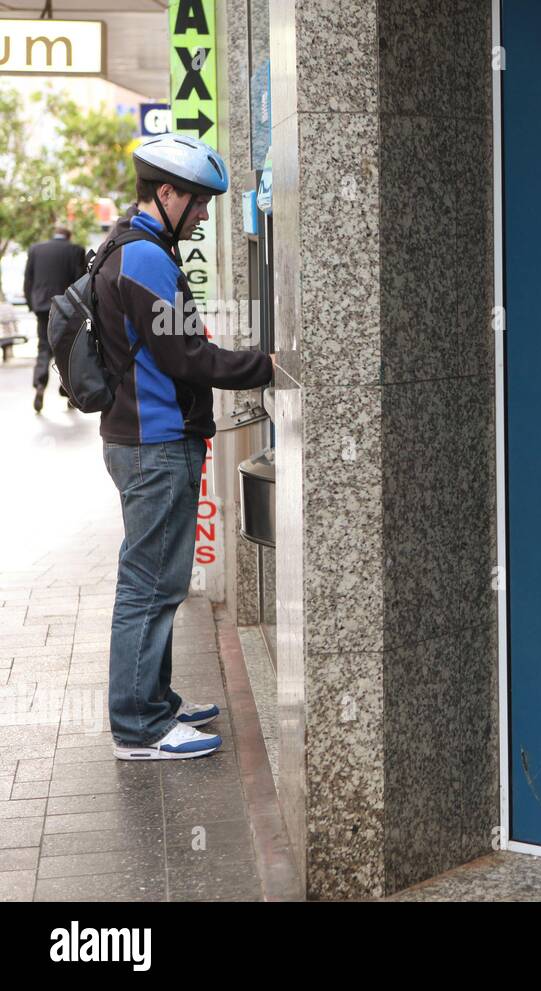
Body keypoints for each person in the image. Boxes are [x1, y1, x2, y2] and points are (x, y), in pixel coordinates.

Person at [96, 133, 275, 760]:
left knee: (155, 580)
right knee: (151, 584)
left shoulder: (126, 247)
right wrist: (265, 365)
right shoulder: (144, 258)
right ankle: (140, 728)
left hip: (143, 441)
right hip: (155, 445)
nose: (202, 215)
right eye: (197, 201)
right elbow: (185, 355)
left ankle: (154, 703)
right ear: (165, 193)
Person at [24, 223, 86, 412]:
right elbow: (80, 281)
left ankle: (40, 384)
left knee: (44, 347)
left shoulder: (36, 249)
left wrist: (31, 303)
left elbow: (28, 280)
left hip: (42, 306)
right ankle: (67, 390)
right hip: (66, 308)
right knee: (67, 349)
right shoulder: (75, 250)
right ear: (68, 236)